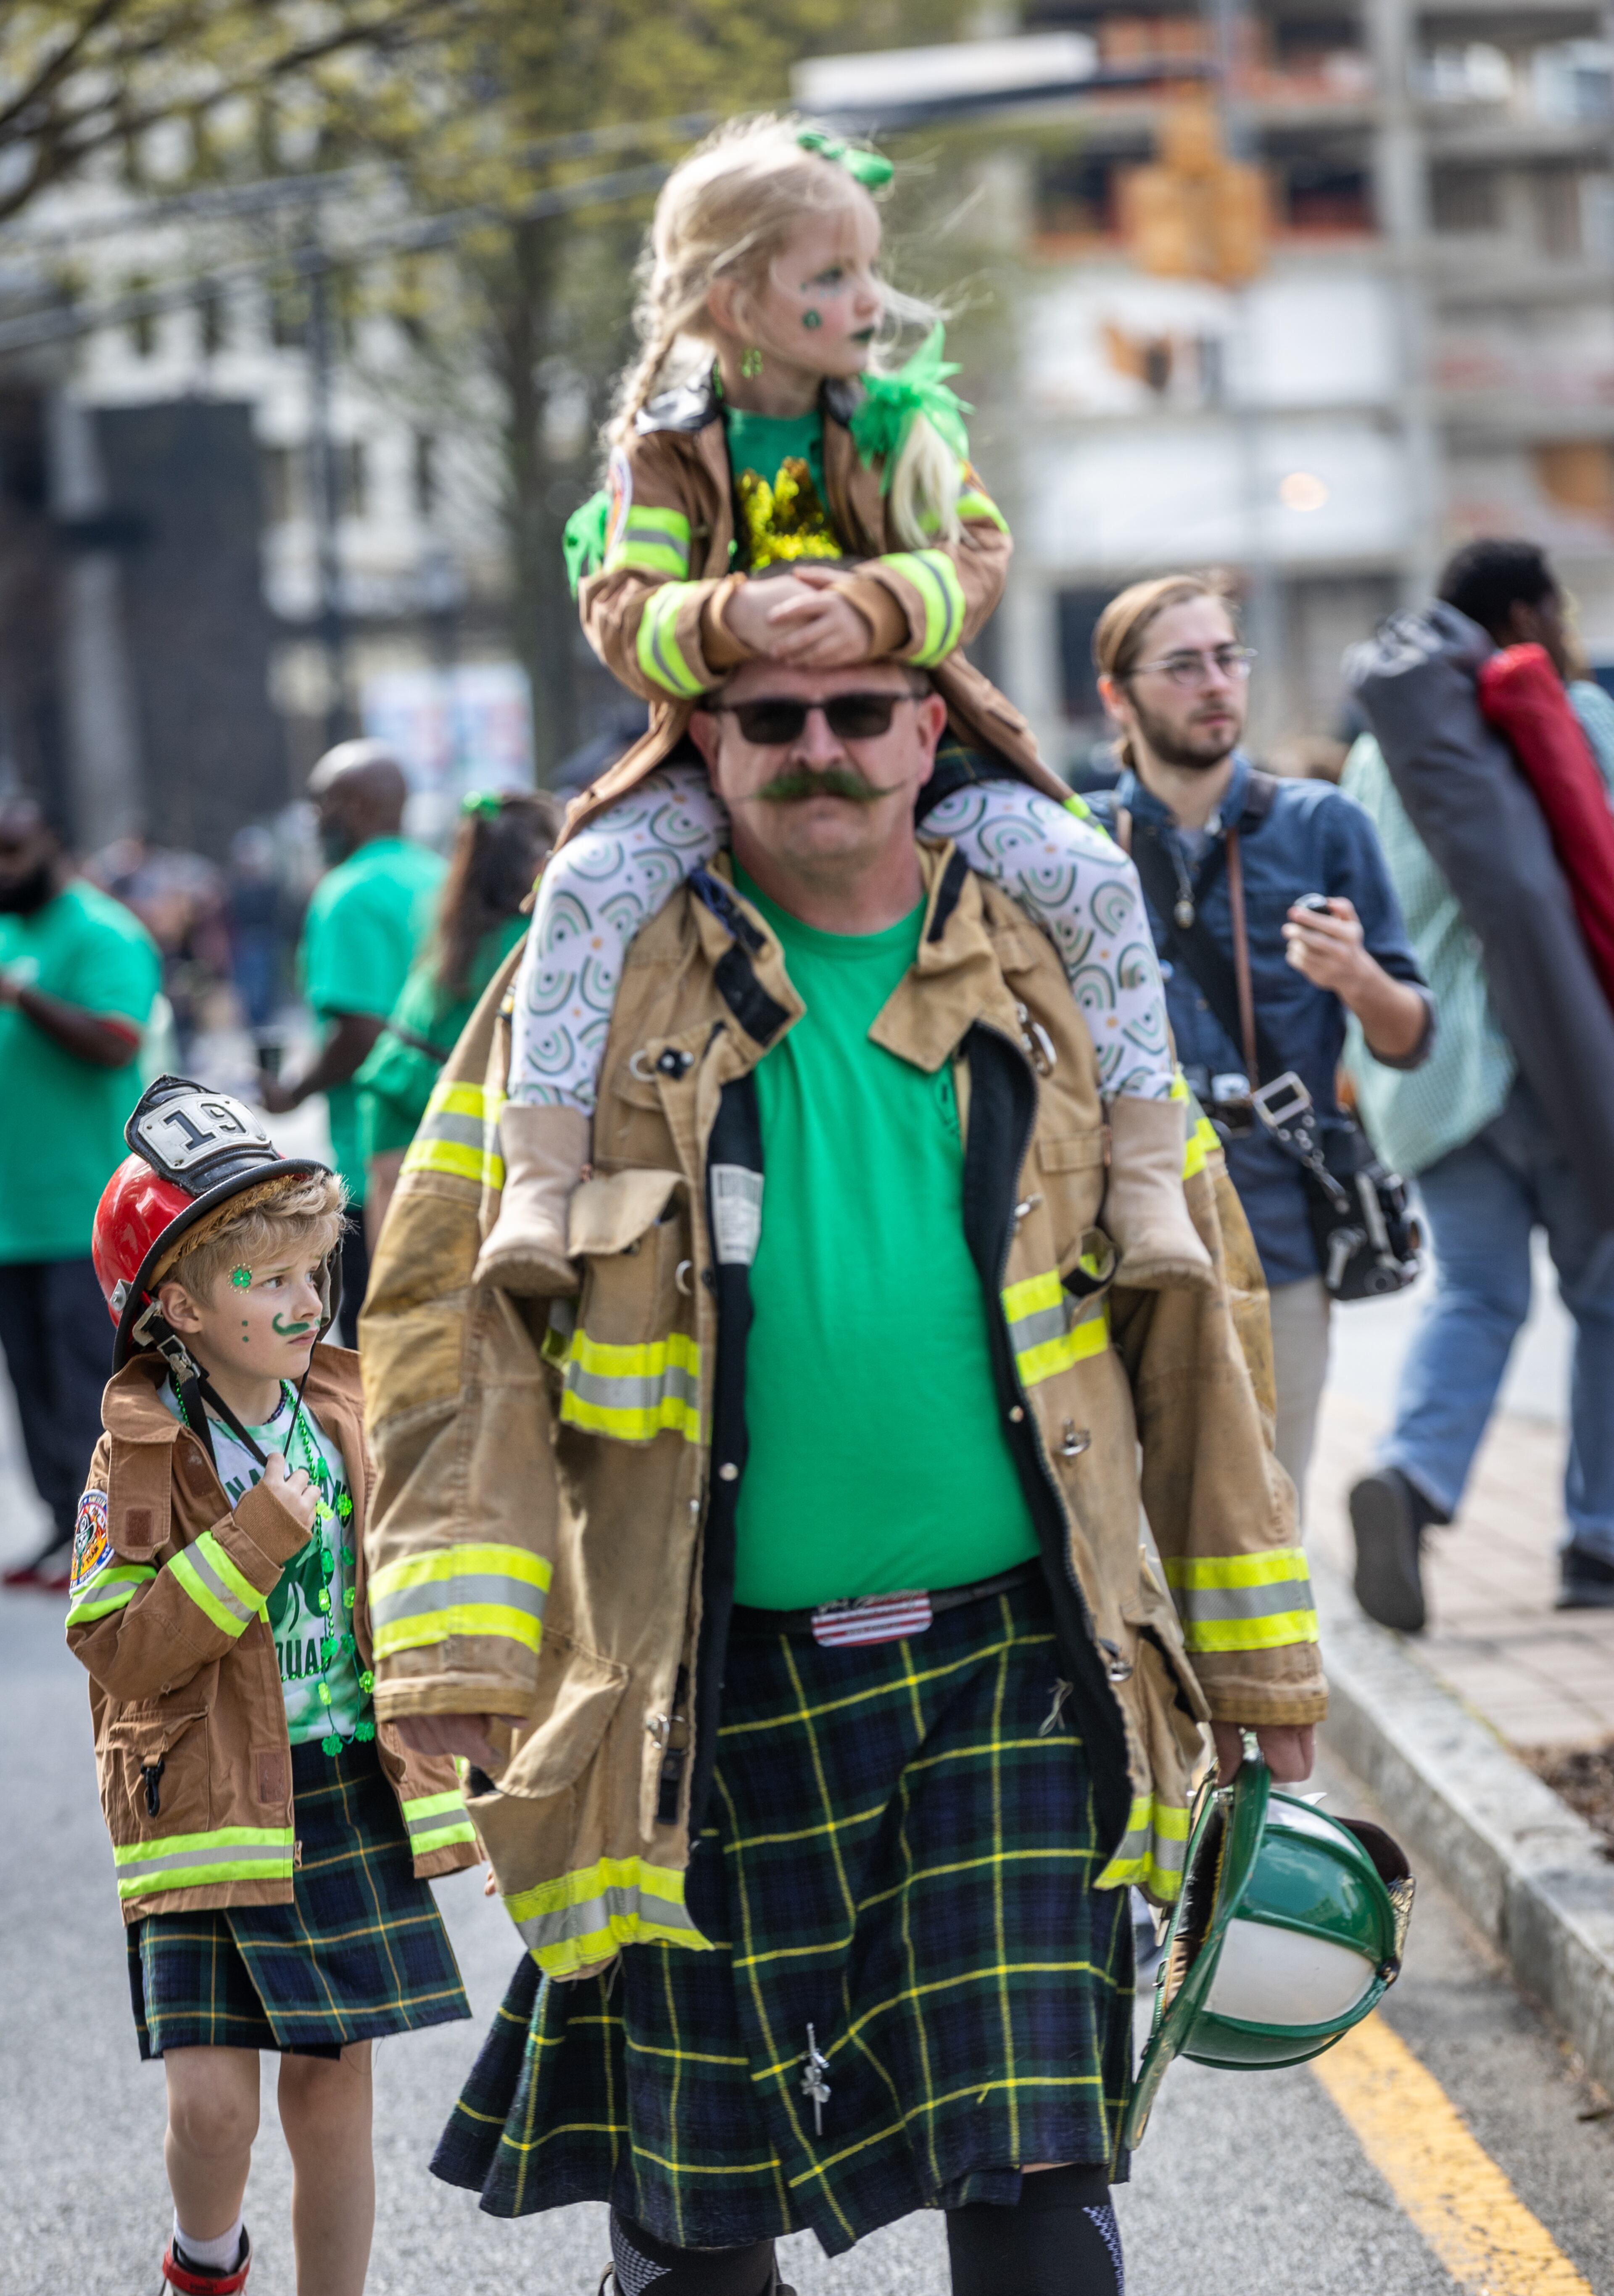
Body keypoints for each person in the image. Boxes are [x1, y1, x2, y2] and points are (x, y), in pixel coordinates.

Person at [361, 652, 1325, 2296]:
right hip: (697, 1690)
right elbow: (446, 1320)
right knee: (699, 2213)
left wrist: (1262, 1661)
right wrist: (451, 1642)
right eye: (772, 718)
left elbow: (1201, 1314)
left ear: (927, 733)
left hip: (1019, 1672)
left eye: (859, 713)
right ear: (705, 740)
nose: (819, 751)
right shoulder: (593, 981)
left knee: (1037, 2160)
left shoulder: (1049, 971)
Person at [491, 113, 1210, 1313]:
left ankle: (1144, 1179)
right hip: (728, 755)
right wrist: (736, 622)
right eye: (832, 275)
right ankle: (539, 1183)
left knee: (1092, 875)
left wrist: (879, 603)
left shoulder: (902, 425)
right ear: (732, 299)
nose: (870, 299)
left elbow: (978, 556)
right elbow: (621, 606)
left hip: (910, 756)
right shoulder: (662, 453)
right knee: (583, 887)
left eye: (868, 268)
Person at [71, 1077, 479, 2296]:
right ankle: (203, 2267)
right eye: (271, 1278)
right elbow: (119, 1644)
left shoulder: (350, 1412)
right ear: (180, 1308)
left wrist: (467, 1745)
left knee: (332, 2092)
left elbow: (413, 1595)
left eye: (318, 1269)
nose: (309, 1303)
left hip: (341, 1798)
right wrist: (253, 1538)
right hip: (202, 1811)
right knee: (216, 2112)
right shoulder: (141, 1448)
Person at [1087, 573, 1434, 1507]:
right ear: (1117, 693)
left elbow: (1409, 1037)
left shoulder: (1323, 824)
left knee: (1267, 1509)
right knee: (1130, 1511)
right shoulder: (1075, 843)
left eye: (1227, 658)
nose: (1216, 684)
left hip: (1279, 1226)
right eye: (1184, 664)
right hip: (1112, 1235)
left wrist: (1359, 978)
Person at [1344, 539, 1614, 1628]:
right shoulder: (1576, 719)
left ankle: (1410, 1478)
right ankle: (1598, 1540)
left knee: (1476, 1291)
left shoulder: (1378, 754)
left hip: (1426, 1072)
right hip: (1560, 1063)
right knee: (1605, 1298)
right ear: (1526, 613)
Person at [0, 795, 160, 1587]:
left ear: (51, 843)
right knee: (30, 1386)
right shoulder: (8, 929)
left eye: (13, 852)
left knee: (85, 1384)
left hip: (82, 1210)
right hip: (11, 1215)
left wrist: (22, 995)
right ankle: (61, 1523)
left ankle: (109, 1531)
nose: (3, 871)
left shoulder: (102, 932)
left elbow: (114, 1040)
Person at [261, 741, 443, 1343]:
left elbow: (360, 1034)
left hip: (377, 1167)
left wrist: (293, 1090)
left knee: (381, 1361)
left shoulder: (347, 893)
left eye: (322, 803)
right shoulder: (444, 875)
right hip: (454, 1151)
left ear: (357, 806)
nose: (314, 820)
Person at [352, 786, 560, 1245]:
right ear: (541, 866)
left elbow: (387, 1109)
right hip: (524, 1193)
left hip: (420, 1174)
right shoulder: (552, 949)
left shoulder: (444, 955)